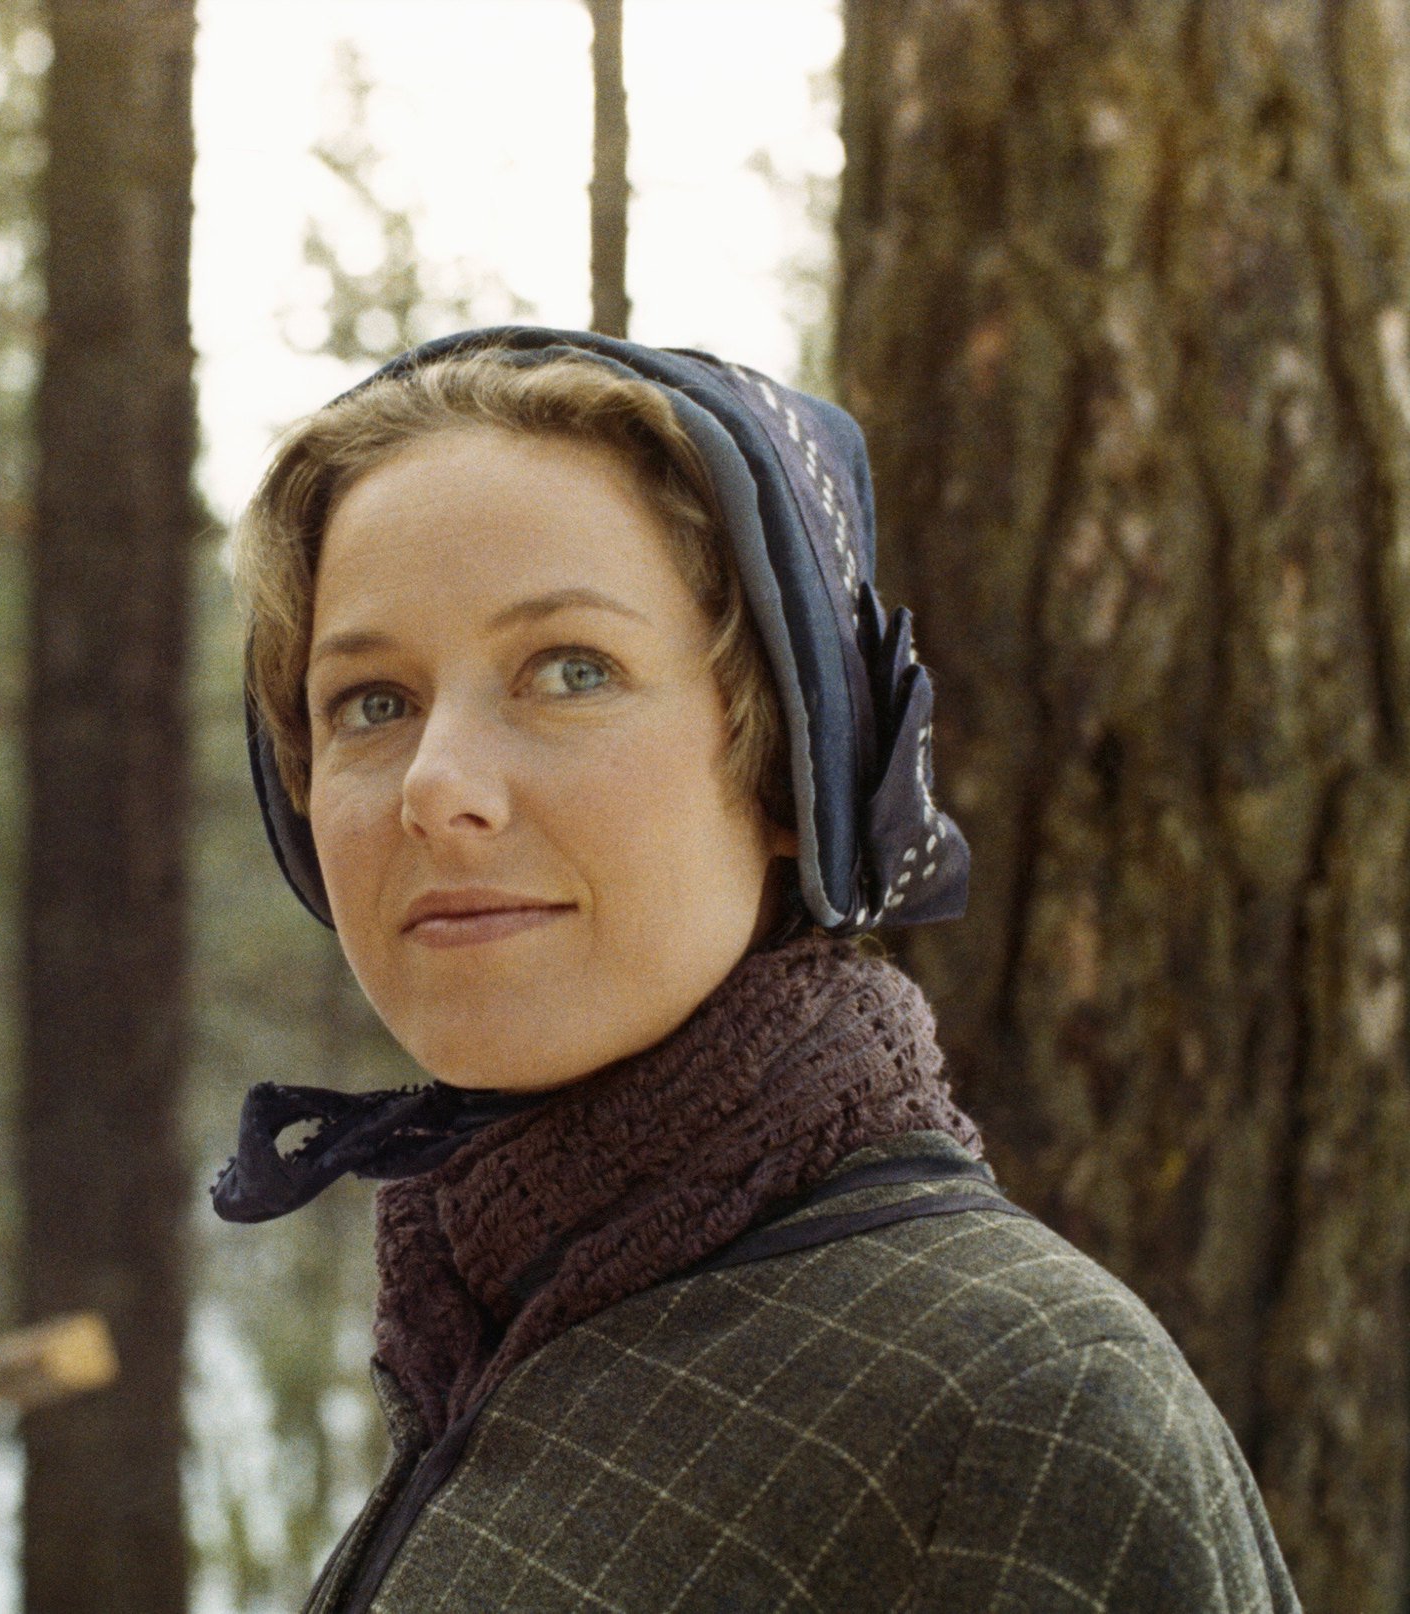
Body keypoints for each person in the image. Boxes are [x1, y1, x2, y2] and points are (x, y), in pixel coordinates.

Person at [211, 327, 1300, 1613]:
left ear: (785, 764)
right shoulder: (489, 1331)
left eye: (570, 671)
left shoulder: (1024, 1411)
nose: (437, 785)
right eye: (372, 702)